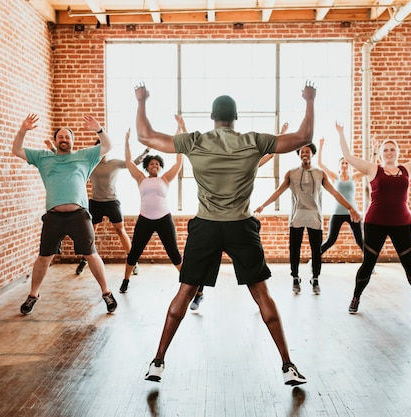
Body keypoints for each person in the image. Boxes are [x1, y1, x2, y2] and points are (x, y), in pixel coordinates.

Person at [135, 81, 317, 386]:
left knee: (185, 292)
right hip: (241, 226)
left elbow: (146, 135)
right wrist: (309, 101)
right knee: (262, 294)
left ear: (212, 117)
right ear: (235, 118)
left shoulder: (194, 141)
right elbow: (303, 137)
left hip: (206, 226)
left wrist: (141, 101)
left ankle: (158, 362)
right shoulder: (253, 140)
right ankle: (288, 365)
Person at [12, 114, 118, 315]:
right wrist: (23, 129)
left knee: (91, 253)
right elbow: (16, 150)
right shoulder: (43, 157)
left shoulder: (85, 156)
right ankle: (33, 295)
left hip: (79, 215)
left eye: (67, 137)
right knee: (44, 257)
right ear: (56, 140)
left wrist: (99, 130)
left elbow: (108, 146)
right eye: (60, 137)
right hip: (54, 217)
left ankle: (107, 293)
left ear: (72, 141)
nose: (64, 139)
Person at [336, 120, 411, 315]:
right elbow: (349, 157)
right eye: (386, 149)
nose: (389, 152)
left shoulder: (407, 169)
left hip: (401, 223)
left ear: (397, 152)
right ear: (381, 153)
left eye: (392, 149)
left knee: (409, 264)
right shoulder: (373, 169)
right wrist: (341, 133)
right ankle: (356, 297)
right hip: (375, 223)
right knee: (368, 263)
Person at [189, 121, 290, 311]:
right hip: (217, 223)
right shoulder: (211, 163)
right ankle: (199, 294)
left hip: (232, 222)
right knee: (199, 270)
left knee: (257, 286)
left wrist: (280, 135)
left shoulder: (245, 161)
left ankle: (258, 300)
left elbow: (265, 156)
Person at [254, 144, 361, 295]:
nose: (305, 154)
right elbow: (278, 191)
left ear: (312, 154)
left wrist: (350, 208)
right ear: (299, 154)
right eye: (302, 152)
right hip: (297, 215)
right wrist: (263, 205)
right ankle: (295, 278)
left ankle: (315, 278)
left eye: (308, 152)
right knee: (294, 249)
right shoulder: (291, 173)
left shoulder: (320, 173)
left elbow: (334, 193)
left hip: (314, 215)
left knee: (316, 250)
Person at [74, 130, 150, 276]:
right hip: (95, 202)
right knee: (90, 234)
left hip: (112, 202)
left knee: (120, 231)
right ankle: (84, 260)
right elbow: (72, 163)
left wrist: (146, 150)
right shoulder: (90, 165)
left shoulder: (114, 163)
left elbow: (132, 163)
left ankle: (133, 262)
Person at [119, 124, 184, 294]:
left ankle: (187, 282)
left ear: (160, 166)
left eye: (157, 164)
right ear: (147, 166)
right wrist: (126, 142)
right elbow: (128, 162)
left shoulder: (166, 179)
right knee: (134, 252)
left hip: (164, 218)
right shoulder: (140, 178)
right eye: (151, 164)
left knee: (174, 253)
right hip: (145, 219)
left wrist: (179, 138)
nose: (154, 165)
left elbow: (179, 161)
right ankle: (126, 280)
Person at [317, 137, 366, 255]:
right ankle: (314, 259)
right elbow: (320, 164)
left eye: (346, 163)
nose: (344, 165)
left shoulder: (353, 177)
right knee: (330, 240)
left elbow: (368, 169)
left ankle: (370, 264)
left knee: (360, 240)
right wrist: (321, 146)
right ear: (339, 165)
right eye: (342, 163)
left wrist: (374, 151)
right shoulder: (335, 177)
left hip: (352, 212)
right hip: (337, 212)